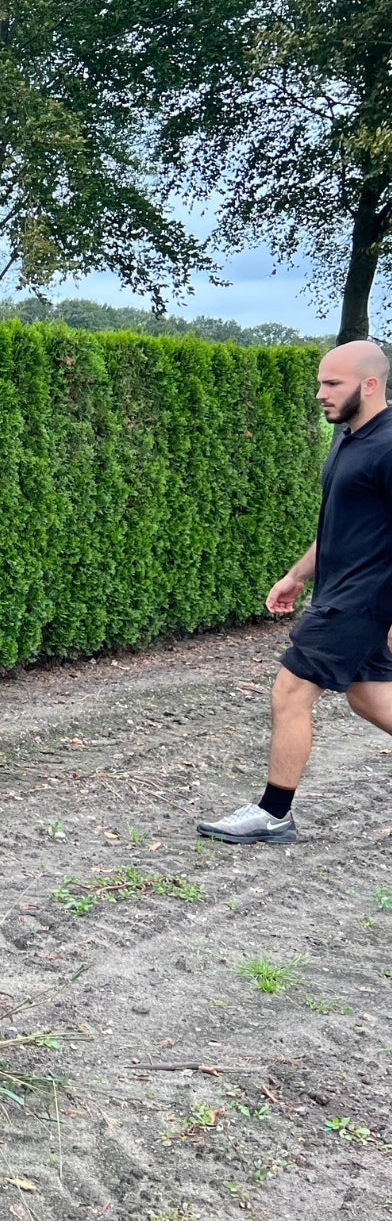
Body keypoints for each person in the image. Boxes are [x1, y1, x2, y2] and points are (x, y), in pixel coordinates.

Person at [198, 338, 392, 844]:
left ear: (369, 385)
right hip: (339, 591)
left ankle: (274, 814)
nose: (320, 394)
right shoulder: (349, 439)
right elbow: (339, 524)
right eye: (320, 383)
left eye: (333, 384)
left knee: (290, 690)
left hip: (362, 601)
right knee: (371, 700)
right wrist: (298, 574)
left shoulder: (391, 446)